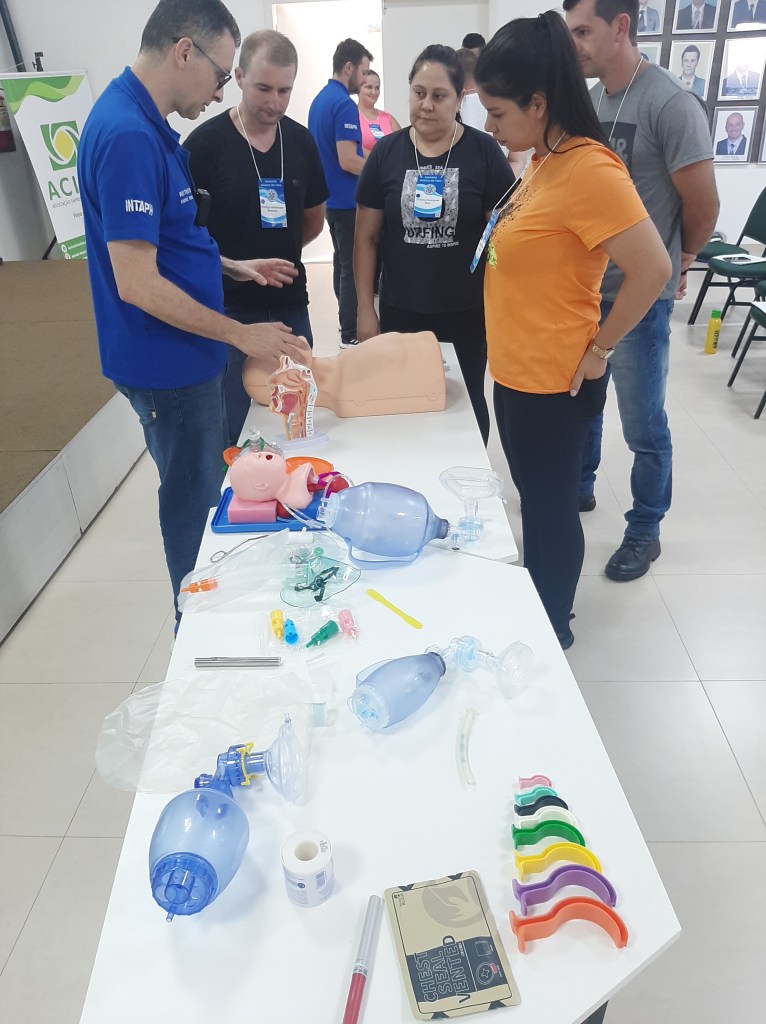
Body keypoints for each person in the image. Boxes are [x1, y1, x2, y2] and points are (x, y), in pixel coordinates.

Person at [78, 0, 310, 624]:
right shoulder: (128, 135)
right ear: (185, 51)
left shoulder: (145, 125)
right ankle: (197, 630)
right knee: (193, 503)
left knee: (204, 490)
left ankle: (209, 610)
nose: (218, 93)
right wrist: (242, 333)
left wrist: (231, 267)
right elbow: (138, 283)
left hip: (183, 357)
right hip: (169, 366)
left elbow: (168, 242)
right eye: (222, 74)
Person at [475, 13, 670, 649]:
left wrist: (601, 348)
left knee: (551, 509)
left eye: (498, 113)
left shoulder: (589, 169)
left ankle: (552, 630)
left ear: (538, 102)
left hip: (554, 381)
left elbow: (653, 268)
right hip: (516, 370)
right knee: (536, 501)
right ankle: (540, 610)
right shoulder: (543, 161)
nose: (490, 127)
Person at [564, 0, 718, 582]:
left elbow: (703, 204)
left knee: (643, 424)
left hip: (638, 296)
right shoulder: (591, 100)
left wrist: (681, 259)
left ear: (621, 26)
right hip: (585, 290)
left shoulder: (669, 103)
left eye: (584, 31)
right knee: (584, 403)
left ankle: (645, 529)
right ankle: (580, 487)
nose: (574, 44)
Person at [354, 44, 515, 445]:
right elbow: (365, 238)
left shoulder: (483, 152)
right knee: (404, 405)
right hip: (401, 311)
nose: (426, 105)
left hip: (467, 312)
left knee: (467, 408)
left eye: (439, 96)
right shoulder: (386, 154)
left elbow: (506, 236)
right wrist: (364, 309)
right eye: (419, 92)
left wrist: (506, 307)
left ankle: (468, 476)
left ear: (460, 99)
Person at [184, 30, 328, 447]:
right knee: (231, 427)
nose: (275, 103)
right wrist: (236, 266)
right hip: (227, 309)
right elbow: (186, 235)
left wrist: (277, 260)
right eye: (264, 88)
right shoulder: (205, 146)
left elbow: (312, 221)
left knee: (295, 420)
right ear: (239, 76)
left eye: (285, 91)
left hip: (289, 303)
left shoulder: (300, 142)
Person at [308, 38, 372, 348]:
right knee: (353, 267)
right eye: (364, 71)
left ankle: (344, 324)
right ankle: (350, 332)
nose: (365, 78)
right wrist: (379, 171)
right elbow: (348, 160)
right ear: (349, 68)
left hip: (329, 201)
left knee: (341, 263)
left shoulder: (320, 100)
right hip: (346, 201)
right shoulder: (344, 104)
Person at [357, 69, 401, 153]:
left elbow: (402, 145)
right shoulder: (351, 116)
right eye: (369, 87)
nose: (374, 92)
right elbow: (352, 149)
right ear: (358, 89)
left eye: (377, 88)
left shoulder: (388, 118)